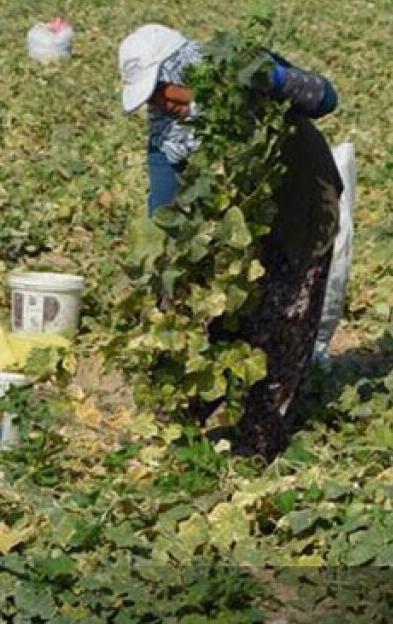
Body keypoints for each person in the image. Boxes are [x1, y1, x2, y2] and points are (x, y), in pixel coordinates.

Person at [118, 24, 341, 458]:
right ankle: (185, 429)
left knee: (283, 319)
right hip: (235, 220)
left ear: (183, 71)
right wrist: (164, 257)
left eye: (164, 92)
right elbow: (163, 187)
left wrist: (270, 81)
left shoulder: (239, 70)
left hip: (300, 196)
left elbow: (325, 97)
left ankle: (258, 444)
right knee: (225, 316)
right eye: (152, 99)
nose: (162, 105)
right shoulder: (167, 123)